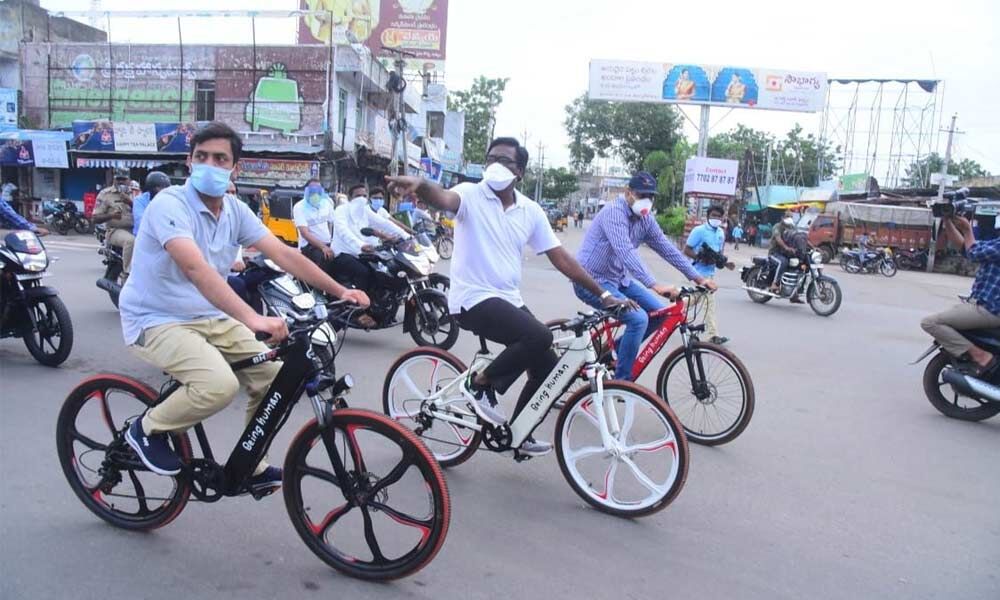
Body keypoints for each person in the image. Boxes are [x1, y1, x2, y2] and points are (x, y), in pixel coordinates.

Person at [118, 122, 369, 487]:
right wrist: (254, 319)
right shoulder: (168, 204)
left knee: (274, 380)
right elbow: (195, 268)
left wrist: (339, 290)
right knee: (218, 385)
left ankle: (248, 465)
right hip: (156, 319)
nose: (210, 164)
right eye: (201, 157)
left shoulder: (235, 210)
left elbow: (284, 254)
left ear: (235, 168)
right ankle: (145, 429)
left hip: (208, 315)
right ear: (189, 162)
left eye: (220, 158)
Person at [387, 136, 633, 457]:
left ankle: (519, 431)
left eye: (505, 161)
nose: (495, 166)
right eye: (491, 159)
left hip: (507, 299)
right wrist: (420, 184)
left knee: (546, 365)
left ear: (520, 172)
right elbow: (443, 199)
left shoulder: (530, 211)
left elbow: (561, 257)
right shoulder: (469, 195)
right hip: (471, 299)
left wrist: (603, 293)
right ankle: (480, 384)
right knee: (539, 335)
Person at [575, 171, 716, 381]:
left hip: (619, 280)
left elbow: (666, 248)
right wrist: (654, 284)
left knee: (661, 314)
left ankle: (612, 353)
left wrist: (698, 278)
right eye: (642, 195)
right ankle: (622, 382)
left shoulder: (646, 219)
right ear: (628, 193)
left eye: (650, 196)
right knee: (638, 319)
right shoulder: (614, 213)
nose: (646, 201)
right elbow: (625, 251)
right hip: (592, 281)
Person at [921, 216, 1000, 374]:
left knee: (930, 323)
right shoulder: (996, 243)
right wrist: (948, 222)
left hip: (991, 310)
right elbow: (966, 247)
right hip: (983, 305)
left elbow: (974, 252)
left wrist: (966, 229)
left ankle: (981, 356)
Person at [331, 183, 407, 327]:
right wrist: (360, 245)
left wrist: (406, 235)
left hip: (362, 253)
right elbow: (343, 232)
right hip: (343, 253)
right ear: (349, 197)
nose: (361, 199)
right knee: (364, 272)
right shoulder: (341, 210)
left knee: (382, 272)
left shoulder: (365, 211)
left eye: (364, 196)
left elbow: (384, 223)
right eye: (358, 196)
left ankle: (377, 306)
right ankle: (358, 310)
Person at [685, 205, 735, 344]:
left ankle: (672, 313)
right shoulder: (699, 231)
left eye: (719, 216)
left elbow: (718, 255)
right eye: (713, 215)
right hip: (697, 272)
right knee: (709, 302)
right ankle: (713, 335)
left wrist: (726, 264)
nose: (716, 219)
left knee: (694, 299)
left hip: (710, 273)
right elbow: (687, 250)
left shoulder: (720, 233)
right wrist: (699, 258)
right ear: (707, 216)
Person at [92, 168, 136, 280]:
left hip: (137, 229)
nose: (121, 182)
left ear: (129, 180)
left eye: (124, 179)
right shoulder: (106, 194)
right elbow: (95, 218)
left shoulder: (135, 192)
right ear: (114, 179)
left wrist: (130, 202)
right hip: (115, 230)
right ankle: (128, 274)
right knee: (131, 241)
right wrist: (111, 216)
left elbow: (145, 209)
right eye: (118, 179)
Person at [293, 178, 336, 275]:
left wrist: (332, 241)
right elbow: (305, 233)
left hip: (327, 242)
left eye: (318, 190)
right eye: (312, 190)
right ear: (307, 191)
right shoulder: (299, 207)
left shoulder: (326, 204)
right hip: (310, 246)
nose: (315, 193)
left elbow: (332, 223)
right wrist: (323, 247)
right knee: (325, 259)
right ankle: (318, 288)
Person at [132, 172, 171, 236]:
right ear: (151, 187)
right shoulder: (140, 200)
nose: (163, 190)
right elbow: (141, 222)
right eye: (160, 187)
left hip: (164, 235)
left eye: (166, 187)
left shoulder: (169, 200)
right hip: (143, 235)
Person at [768, 211, 796, 293]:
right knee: (783, 262)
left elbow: (799, 235)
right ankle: (775, 283)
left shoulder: (792, 227)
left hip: (785, 253)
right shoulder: (777, 226)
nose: (789, 218)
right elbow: (778, 238)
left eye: (791, 217)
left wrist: (813, 247)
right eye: (788, 216)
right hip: (774, 253)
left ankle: (794, 292)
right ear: (783, 217)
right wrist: (786, 247)